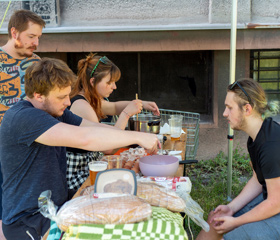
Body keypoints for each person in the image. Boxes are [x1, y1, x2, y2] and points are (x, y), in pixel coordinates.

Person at [0, 58, 158, 240]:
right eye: (61, 97)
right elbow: (85, 139)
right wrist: (138, 137)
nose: (68, 102)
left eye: (68, 95)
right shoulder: (24, 117)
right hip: (29, 219)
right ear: (38, 95)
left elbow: (93, 128)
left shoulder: (54, 110)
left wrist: (135, 139)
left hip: (56, 206)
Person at [196, 78, 280, 240]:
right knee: (216, 221)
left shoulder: (271, 145)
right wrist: (231, 208)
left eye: (229, 108)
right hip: (272, 200)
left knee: (233, 236)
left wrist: (236, 222)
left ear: (247, 109)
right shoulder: (257, 137)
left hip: (276, 206)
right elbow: (258, 179)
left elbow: (275, 202)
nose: (224, 113)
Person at [66, 53, 160, 190]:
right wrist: (127, 114)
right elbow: (107, 148)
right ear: (92, 82)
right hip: (79, 174)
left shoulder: (89, 98)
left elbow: (115, 106)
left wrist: (141, 104)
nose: (114, 87)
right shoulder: (81, 105)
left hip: (93, 164)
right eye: (109, 83)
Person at [0, 9, 45, 237]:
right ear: (14, 32)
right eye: (31, 36)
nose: (36, 42)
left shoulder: (36, 63)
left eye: (38, 37)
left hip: (32, 150)